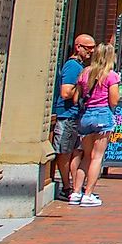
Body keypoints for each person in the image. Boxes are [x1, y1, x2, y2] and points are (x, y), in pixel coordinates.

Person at [72, 42, 120, 206]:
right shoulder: (111, 75)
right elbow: (114, 100)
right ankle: (88, 194)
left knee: (85, 156)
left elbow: (75, 98)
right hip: (102, 116)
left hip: (86, 116)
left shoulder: (85, 72)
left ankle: (76, 192)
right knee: (97, 157)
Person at [51, 33, 94, 204]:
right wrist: (84, 87)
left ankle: (75, 187)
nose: (91, 51)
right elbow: (65, 92)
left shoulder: (80, 66)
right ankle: (66, 187)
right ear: (78, 47)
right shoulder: (72, 66)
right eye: (88, 48)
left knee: (76, 152)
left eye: (93, 48)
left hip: (75, 116)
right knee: (64, 152)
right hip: (66, 115)